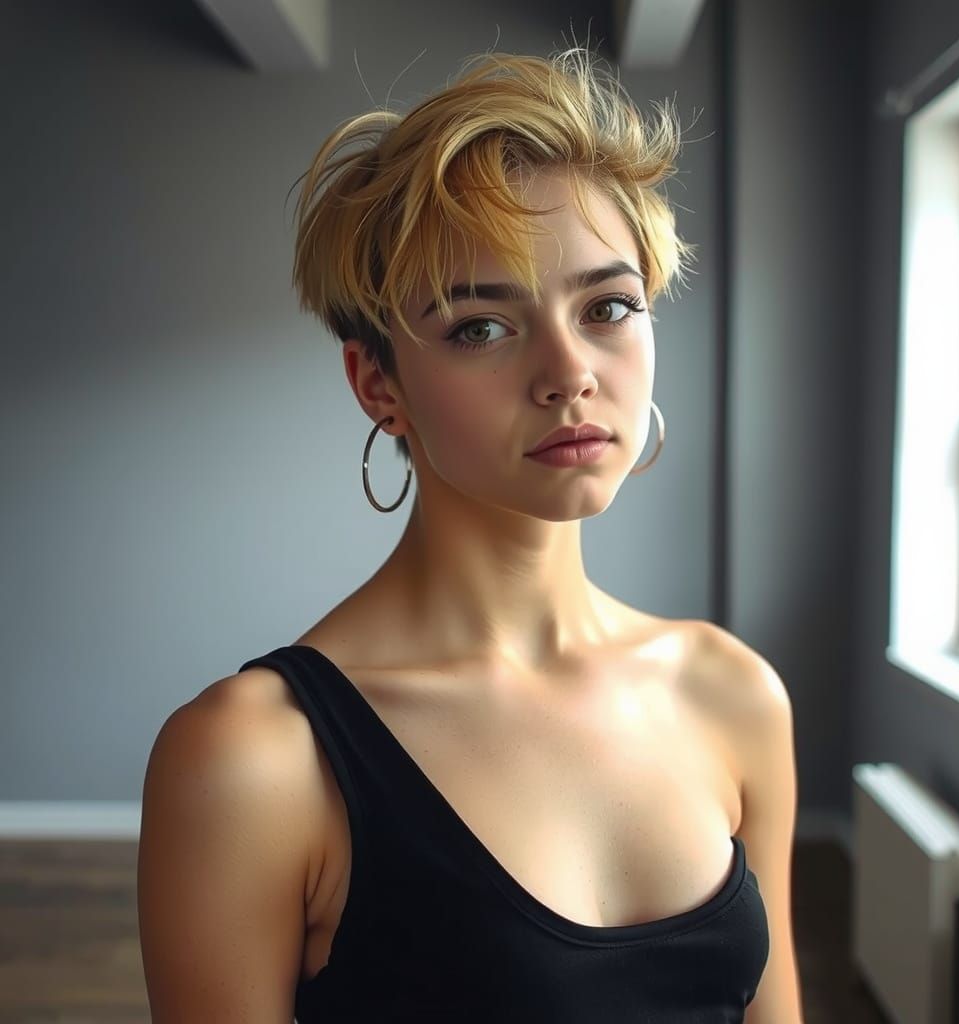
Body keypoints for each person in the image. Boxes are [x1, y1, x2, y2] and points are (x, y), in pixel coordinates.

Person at [137, 44, 803, 1023]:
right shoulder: (255, 760)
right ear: (379, 385)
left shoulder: (731, 693)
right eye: (481, 326)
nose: (568, 370)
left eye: (608, 307)